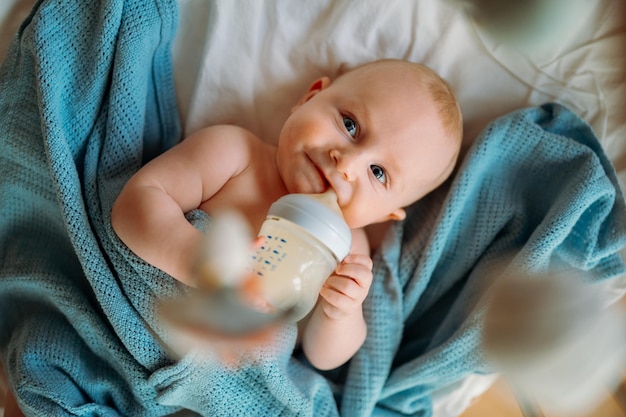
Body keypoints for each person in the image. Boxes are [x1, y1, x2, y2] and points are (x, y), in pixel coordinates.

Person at [111, 58, 463, 371]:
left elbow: (322, 358)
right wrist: (201, 263)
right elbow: (135, 203)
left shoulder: (346, 250)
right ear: (309, 99)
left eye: (379, 173)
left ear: (386, 215)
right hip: (123, 334)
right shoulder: (236, 156)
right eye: (350, 125)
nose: (348, 165)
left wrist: (340, 313)